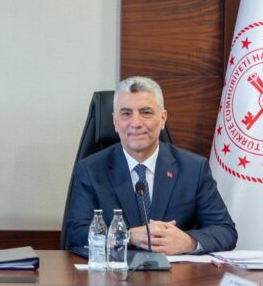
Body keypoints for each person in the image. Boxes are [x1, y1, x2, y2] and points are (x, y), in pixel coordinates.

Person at [65, 76, 236, 254]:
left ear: (163, 118)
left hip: (176, 271)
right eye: (126, 114)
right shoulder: (90, 170)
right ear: (115, 122)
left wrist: (190, 242)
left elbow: (225, 230)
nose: (136, 123)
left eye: (146, 112)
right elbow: (77, 232)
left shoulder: (194, 169)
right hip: (117, 270)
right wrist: (126, 236)